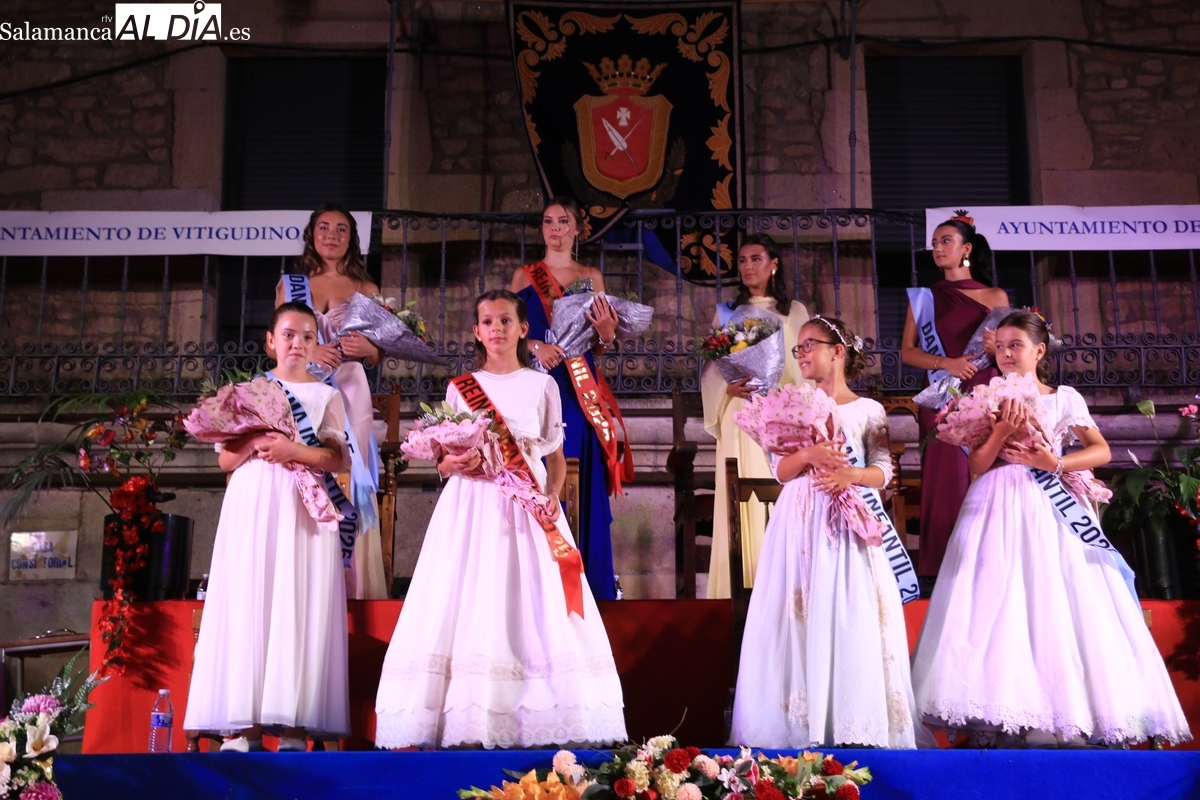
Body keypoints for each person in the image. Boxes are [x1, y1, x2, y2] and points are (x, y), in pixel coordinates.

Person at [911, 311, 1191, 747]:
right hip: (997, 503)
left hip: (1052, 505)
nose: (1006, 354)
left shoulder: (1064, 397)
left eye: (1016, 345)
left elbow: (1100, 451)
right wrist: (1001, 430)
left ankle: (1069, 711)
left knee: (1056, 599)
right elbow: (978, 465)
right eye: (1000, 346)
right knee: (999, 600)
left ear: (1039, 350)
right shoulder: (985, 396)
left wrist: (1055, 462)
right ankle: (1005, 710)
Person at [373, 290, 627, 748]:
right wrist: (451, 463)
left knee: (531, 598)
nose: (497, 329)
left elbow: (556, 459)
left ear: (523, 328)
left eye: (506, 320)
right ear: (476, 331)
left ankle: (538, 714)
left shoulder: (543, 386)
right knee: (470, 594)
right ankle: (467, 714)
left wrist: (552, 497)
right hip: (471, 505)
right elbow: (444, 459)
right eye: (488, 322)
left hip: (527, 506)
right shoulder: (461, 387)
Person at [730, 316, 921, 748]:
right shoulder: (790, 403)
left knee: (849, 609)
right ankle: (799, 725)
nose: (800, 354)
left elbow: (884, 471)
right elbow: (780, 471)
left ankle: (851, 720)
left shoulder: (868, 410)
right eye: (797, 348)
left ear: (837, 351)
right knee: (798, 612)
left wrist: (852, 474)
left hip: (849, 521)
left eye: (808, 345)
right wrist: (810, 455)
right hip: (799, 518)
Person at [185, 301, 350, 752]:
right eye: (289, 335)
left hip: (301, 504)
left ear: (315, 345)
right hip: (253, 502)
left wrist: (293, 450)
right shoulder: (247, 392)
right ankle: (246, 729)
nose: (298, 343)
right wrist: (257, 439)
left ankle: (294, 728)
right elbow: (226, 460)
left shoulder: (326, 396)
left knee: (297, 600)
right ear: (271, 341)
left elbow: (337, 459)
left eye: (307, 336)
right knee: (250, 599)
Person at [509, 197, 627, 601]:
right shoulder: (524, 276)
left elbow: (600, 346)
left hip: (578, 390)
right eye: (548, 221)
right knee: (540, 472)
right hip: (537, 383)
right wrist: (535, 346)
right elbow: (510, 333)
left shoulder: (591, 277)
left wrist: (607, 335)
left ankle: (587, 585)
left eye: (563, 221)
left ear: (577, 229)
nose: (555, 228)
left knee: (579, 471)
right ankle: (540, 583)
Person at [275, 204, 388, 600]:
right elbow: (275, 344)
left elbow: (379, 352)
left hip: (349, 392)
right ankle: (304, 576)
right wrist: (310, 351)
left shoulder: (366, 288)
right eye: (324, 227)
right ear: (312, 234)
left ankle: (351, 582)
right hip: (304, 392)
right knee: (304, 467)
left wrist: (367, 348)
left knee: (347, 473)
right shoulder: (291, 285)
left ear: (351, 239)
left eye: (341, 229)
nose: (332, 235)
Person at [901, 212, 1009, 583]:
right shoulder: (924, 298)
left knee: (986, 474)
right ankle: (940, 569)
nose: (937, 248)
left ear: (967, 249)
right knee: (945, 478)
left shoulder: (996, 296)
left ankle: (988, 564)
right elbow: (908, 352)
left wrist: (997, 349)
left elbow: (1009, 353)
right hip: (942, 395)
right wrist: (946, 362)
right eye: (934, 243)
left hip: (984, 393)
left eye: (945, 241)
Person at [702, 234, 809, 599]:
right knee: (739, 491)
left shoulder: (794, 311)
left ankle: (780, 590)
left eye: (756, 259)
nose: (748, 267)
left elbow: (805, 366)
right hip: (740, 412)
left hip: (781, 416)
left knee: (778, 492)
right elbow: (712, 369)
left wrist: (796, 406)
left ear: (773, 264)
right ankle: (735, 589)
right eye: (743, 261)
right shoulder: (726, 313)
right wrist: (727, 389)